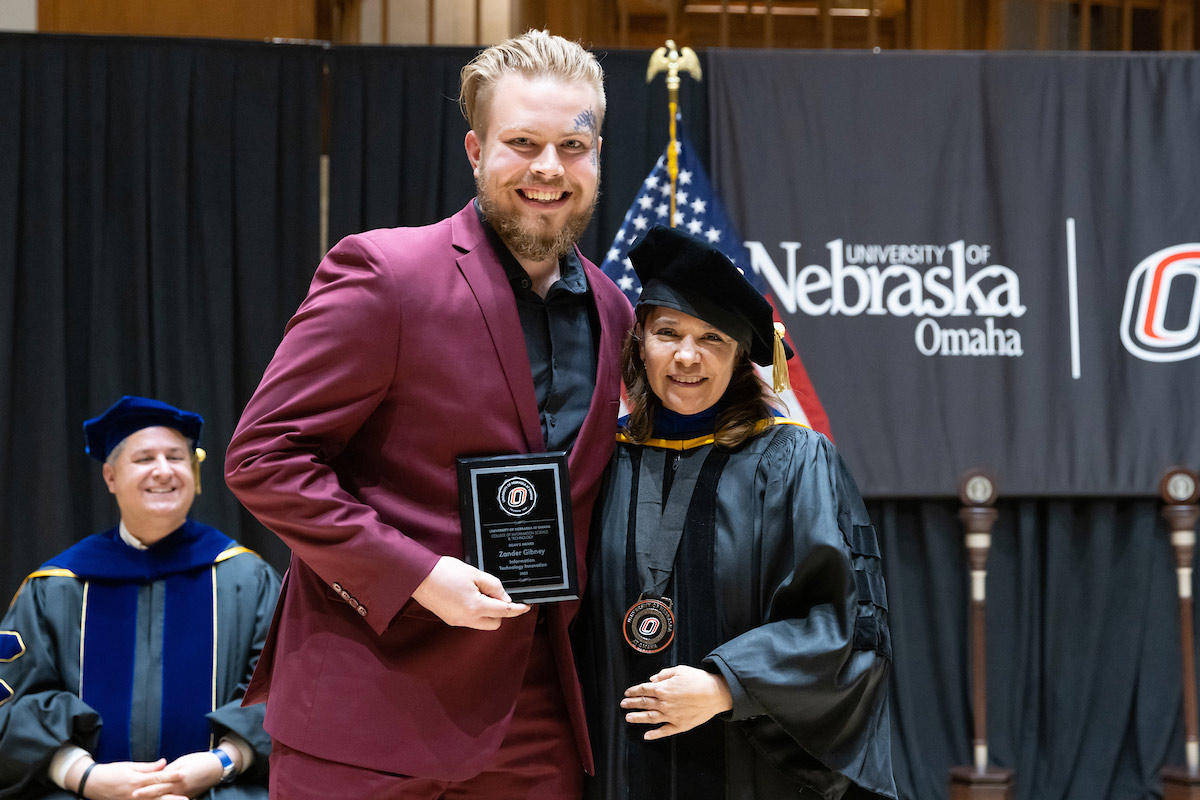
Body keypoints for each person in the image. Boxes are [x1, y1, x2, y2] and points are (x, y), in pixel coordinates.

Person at [223, 29, 634, 800]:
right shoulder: (386, 274)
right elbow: (264, 458)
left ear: (598, 152)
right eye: (522, 142)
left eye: (572, 146)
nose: (549, 169)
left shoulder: (615, 312)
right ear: (476, 150)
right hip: (366, 714)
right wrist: (416, 576)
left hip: (536, 724)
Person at [576, 225, 897, 800]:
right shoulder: (599, 456)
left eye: (713, 338)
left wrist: (727, 685)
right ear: (638, 342)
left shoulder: (794, 461)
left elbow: (846, 625)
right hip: (613, 764)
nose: (687, 356)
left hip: (745, 766)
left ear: (740, 355)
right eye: (667, 332)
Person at [0, 396, 281, 800]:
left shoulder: (246, 579)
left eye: (177, 457)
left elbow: (287, 697)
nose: (164, 471)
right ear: (111, 477)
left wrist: (221, 762)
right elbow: (8, 706)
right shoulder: (57, 586)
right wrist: (82, 775)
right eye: (145, 458)